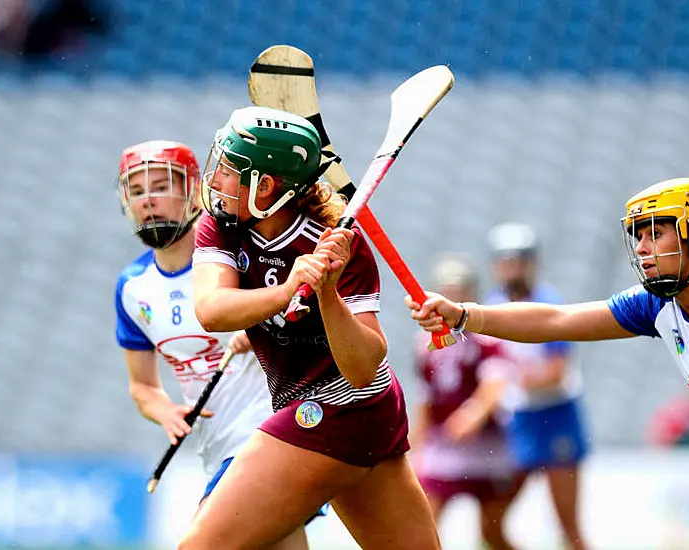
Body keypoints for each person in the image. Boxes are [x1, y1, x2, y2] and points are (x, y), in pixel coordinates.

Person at [409, 177, 689, 550]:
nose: (644, 248)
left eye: (657, 233)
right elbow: (559, 319)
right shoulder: (658, 303)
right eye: (639, 236)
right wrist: (465, 315)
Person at [180, 106, 441, 550]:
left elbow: (363, 365)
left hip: (344, 408)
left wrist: (328, 292)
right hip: (328, 411)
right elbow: (212, 309)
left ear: (264, 186)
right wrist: (287, 291)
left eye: (229, 169)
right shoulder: (221, 227)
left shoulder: (340, 245)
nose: (216, 179)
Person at [112, 140, 310, 550]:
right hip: (218, 448)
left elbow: (304, 311)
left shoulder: (241, 256)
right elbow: (142, 387)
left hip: (270, 435)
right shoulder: (133, 289)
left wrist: (262, 326)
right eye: (136, 190)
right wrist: (165, 411)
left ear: (194, 190)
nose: (148, 200)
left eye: (162, 185)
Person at [485, 222, 591, 550]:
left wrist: (506, 381)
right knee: (491, 523)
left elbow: (556, 372)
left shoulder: (548, 302)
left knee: (568, 527)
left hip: (555, 414)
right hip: (518, 420)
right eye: (506, 261)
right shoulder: (491, 305)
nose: (512, 269)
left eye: (519, 260)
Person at [410, 253, 520, 550]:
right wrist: (413, 444)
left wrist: (473, 413)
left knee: (492, 533)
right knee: (425, 526)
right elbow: (427, 397)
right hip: (443, 446)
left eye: (458, 293)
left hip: (487, 448)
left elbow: (495, 383)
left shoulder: (486, 338)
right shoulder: (425, 344)